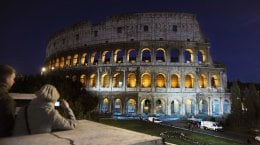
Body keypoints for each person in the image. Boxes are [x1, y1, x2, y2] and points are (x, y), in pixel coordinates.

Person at [0, 64, 16, 137]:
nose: (14, 81)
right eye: (13, 78)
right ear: (7, 79)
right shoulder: (7, 100)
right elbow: (8, 128)